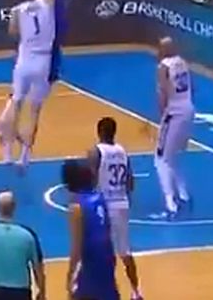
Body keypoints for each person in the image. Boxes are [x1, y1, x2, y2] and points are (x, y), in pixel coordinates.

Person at [0, 0, 70, 167]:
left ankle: (7, 153)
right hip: (43, 62)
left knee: (15, 106)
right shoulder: (46, 1)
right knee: (34, 112)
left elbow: (12, 33)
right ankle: (25, 156)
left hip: (24, 60)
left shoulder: (16, 11)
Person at [87, 117, 143, 300]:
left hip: (103, 206)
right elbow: (130, 182)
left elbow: (90, 180)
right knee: (125, 251)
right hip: (122, 204)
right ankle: (136, 291)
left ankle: (103, 289)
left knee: (100, 250)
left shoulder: (96, 152)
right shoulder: (123, 152)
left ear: (99, 132)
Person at [0, 191, 46, 300]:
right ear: (14, 208)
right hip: (21, 292)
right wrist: (42, 291)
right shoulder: (28, 236)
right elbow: (38, 267)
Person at [62, 159, 119, 300]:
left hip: (91, 259)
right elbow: (108, 228)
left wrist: (70, 273)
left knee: (79, 295)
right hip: (107, 255)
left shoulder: (76, 207)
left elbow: (77, 245)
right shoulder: (100, 198)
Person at [154, 37, 194, 218]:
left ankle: (170, 201)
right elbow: (193, 88)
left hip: (174, 113)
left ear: (164, 50)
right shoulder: (183, 63)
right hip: (189, 110)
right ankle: (183, 194)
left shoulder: (163, 67)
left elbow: (163, 93)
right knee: (174, 155)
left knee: (161, 159)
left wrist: (162, 115)